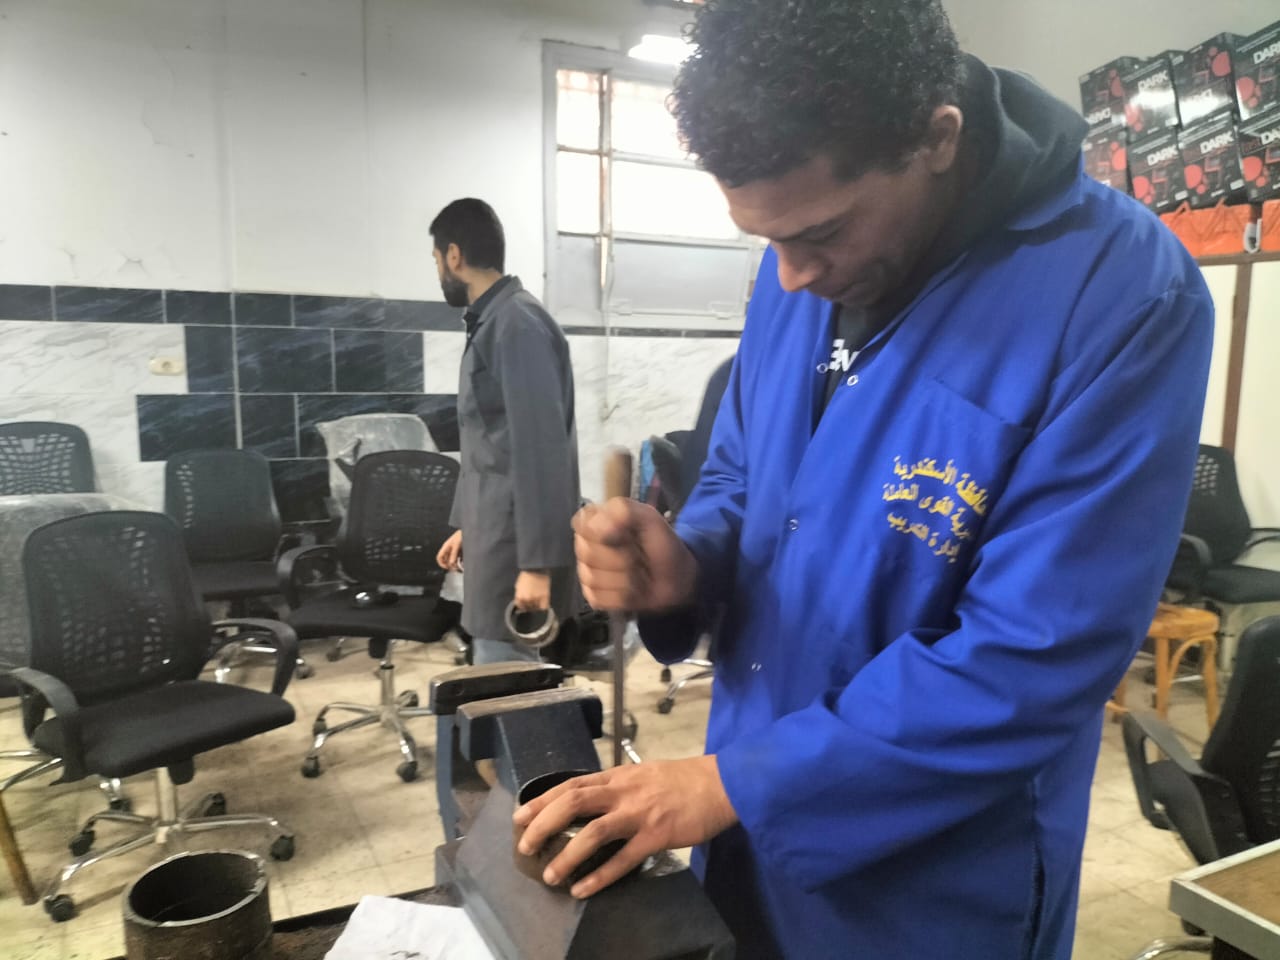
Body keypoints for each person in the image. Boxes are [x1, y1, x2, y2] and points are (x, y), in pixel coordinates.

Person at [511, 2, 1214, 958]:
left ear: (937, 138)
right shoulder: (801, 267)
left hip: (932, 878)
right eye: (765, 241)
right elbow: (742, 472)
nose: (790, 278)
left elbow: (1035, 652)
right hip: (746, 814)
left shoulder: (1120, 294)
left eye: (821, 232)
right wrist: (688, 562)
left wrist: (742, 783)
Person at [430, 198, 579, 665]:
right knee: (494, 668)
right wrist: (467, 524)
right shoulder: (494, 320)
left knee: (508, 682)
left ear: (454, 256)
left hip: (515, 549)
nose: (439, 272)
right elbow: (487, 442)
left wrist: (537, 565)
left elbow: (541, 450)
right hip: (495, 533)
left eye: (436, 260)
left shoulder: (516, 324)